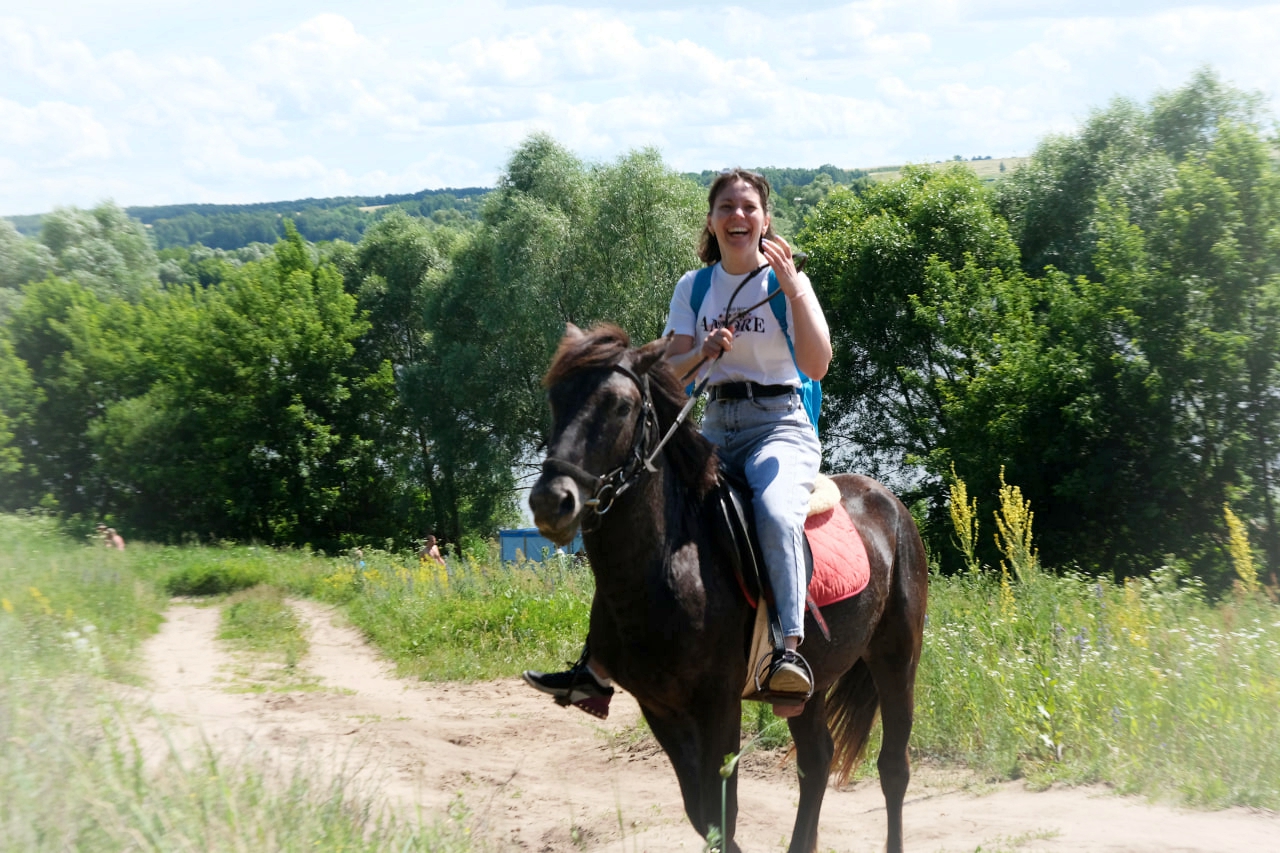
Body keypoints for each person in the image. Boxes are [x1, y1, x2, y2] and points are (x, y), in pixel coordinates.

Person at [524, 169, 832, 718]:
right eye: (726, 208)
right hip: (715, 422)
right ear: (711, 222)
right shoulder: (693, 287)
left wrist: (793, 289)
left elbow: (817, 364)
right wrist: (704, 352)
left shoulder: (786, 283)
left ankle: (788, 651)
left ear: (765, 219)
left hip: (780, 424)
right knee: (631, 510)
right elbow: (673, 375)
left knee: (774, 510)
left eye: (748, 208)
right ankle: (595, 668)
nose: (738, 216)